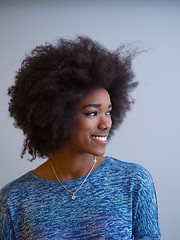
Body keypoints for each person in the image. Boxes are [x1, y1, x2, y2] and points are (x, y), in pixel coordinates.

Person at [0, 36, 161, 239]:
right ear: (57, 115)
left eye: (108, 112)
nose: (106, 124)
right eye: (92, 113)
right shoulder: (14, 198)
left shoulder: (134, 181)